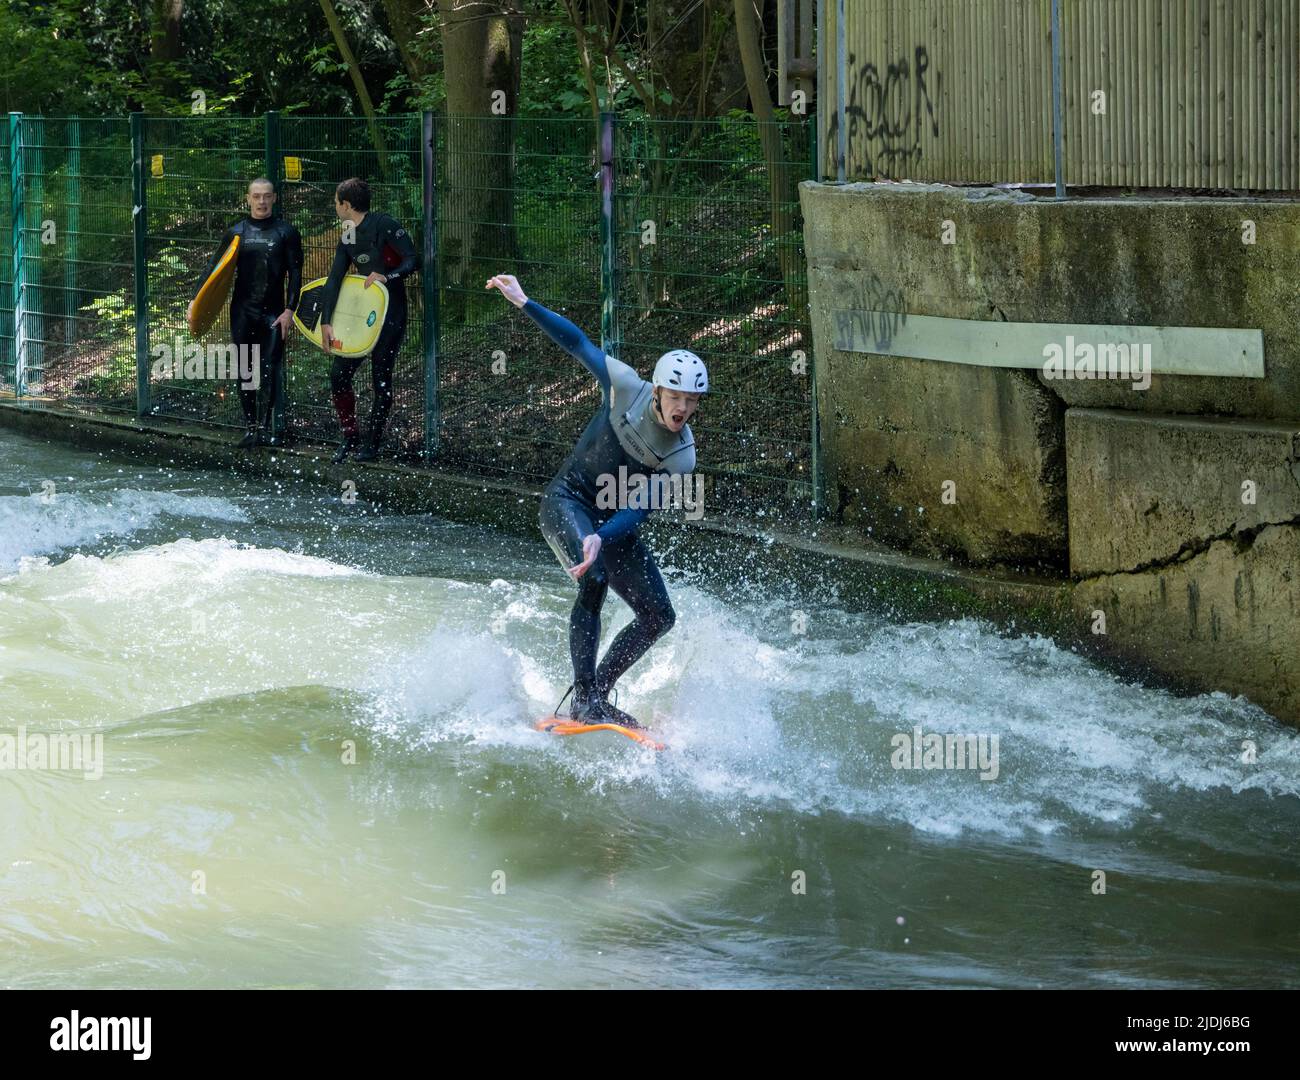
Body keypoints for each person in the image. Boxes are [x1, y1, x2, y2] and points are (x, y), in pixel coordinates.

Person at [486, 273, 706, 728]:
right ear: (659, 390)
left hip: (611, 525)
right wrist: (526, 302)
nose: (682, 408)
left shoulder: (682, 455)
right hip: (568, 501)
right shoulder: (625, 385)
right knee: (595, 582)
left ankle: (596, 693)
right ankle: (585, 696)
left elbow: (640, 509)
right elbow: (578, 343)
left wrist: (601, 537)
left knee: (658, 615)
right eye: (676, 396)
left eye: (692, 400)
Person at [189, 177, 303, 447]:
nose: (262, 201)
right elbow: (213, 269)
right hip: (242, 311)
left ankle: (265, 427)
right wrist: (195, 300)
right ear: (248, 198)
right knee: (245, 370)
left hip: (274, 313)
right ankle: (251, 427)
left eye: (266, 196)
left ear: (274, 198)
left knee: (270, 368)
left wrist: (289, 311)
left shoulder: (286, 232)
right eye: (256, 196)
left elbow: (295, 275)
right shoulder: (237, 232)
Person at [320, 178, 420, 463]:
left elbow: (413, 260)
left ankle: (371, 444)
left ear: (346, 204)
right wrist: (326, 322)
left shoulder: (385, 224)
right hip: (361, 315)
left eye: (336, 202)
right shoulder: (348, 232)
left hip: (391, 313)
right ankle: (350, 435)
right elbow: (335, 278)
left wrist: (387, 276)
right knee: (339, 375)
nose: (335, 207)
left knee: (381, 379)